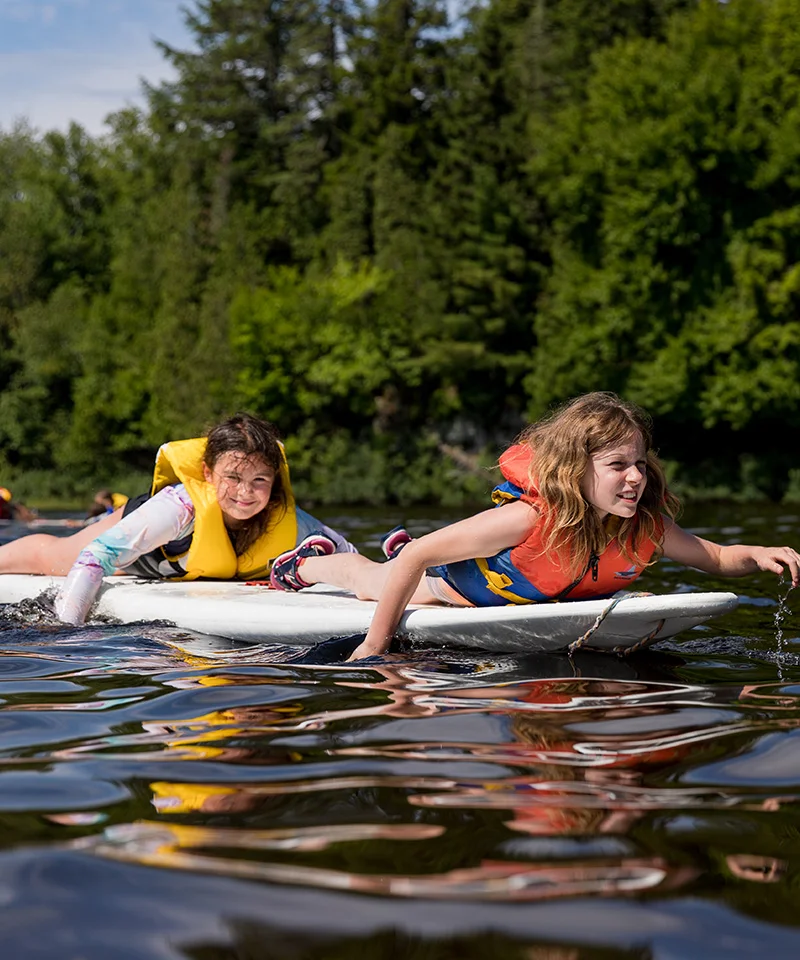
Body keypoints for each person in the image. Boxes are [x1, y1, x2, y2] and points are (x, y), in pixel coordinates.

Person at [269, 392, 800, 660]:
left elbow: (716, 558)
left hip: (511, 593)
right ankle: (308, 562)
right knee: (373, 582)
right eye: (618, 466)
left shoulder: (645, 529)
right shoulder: (527, 519)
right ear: (576, 470)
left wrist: (761, 554)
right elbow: (416, 562)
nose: (636, 477)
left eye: (640, 463)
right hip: (452, 589)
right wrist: (376, 647)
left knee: (403, 564)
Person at [0, 413, 357, 624]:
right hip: (145, 537)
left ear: (274, 481)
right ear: (208, 473)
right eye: (232, 478)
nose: (245, 493)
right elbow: (96, 556)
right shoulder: (180, 506)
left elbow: (347, 552)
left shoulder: (289, 519)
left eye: (259, 481)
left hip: (180, 565)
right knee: (50, 558)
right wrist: (68, 630)